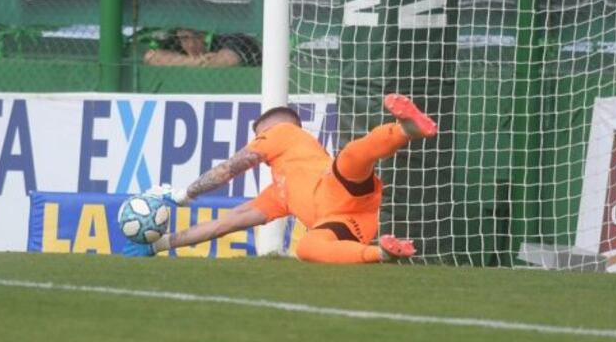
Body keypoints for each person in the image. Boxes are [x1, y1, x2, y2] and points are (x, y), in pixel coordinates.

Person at [124, 93, 437, 263]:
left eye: (259, 136)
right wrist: (160, 245)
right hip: (351, 224)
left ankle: (406, 129)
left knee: (352, 156)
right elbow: (224, 224)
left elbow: (229, 168)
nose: (258, 142)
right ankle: (381, 252)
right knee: (308, 248)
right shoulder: (279, 193)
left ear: (269, 130)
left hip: (339, 186)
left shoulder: (283, 132)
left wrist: (184, 195)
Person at [142, 28, 261, 67]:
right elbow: (151, 56)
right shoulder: (174, 39)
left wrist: (175, 60)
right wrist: (198, 61)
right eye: (185, 38)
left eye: (197, 36)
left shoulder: (232, 37)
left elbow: (227, 60)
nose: (191, 44)